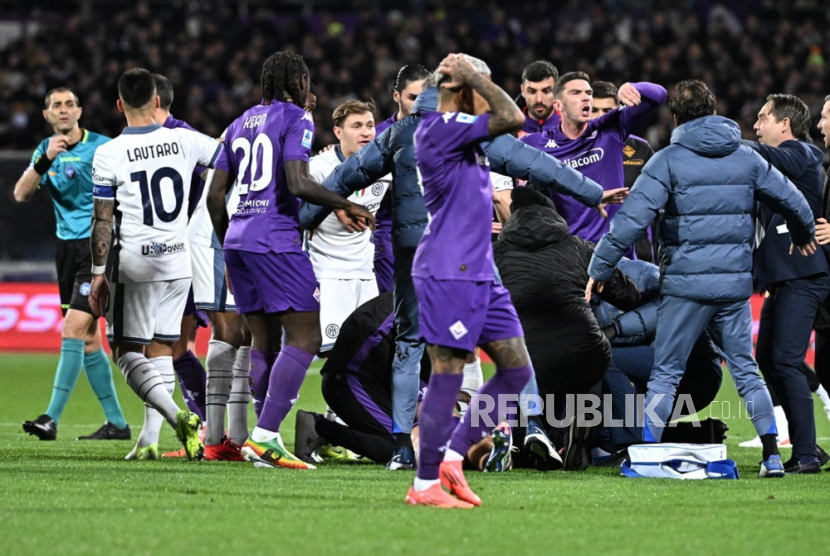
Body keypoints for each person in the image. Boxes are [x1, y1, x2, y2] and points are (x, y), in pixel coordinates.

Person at [299, 79, 608, 472]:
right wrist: (592, 192)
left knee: (410, 347)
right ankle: (533, 426)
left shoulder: (398, 134)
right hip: (468, 253)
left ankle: (401, 447)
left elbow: (344, 177)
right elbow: (536, 163)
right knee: (510, 341)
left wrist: (303, 220)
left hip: (416, 256)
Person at [586, 79, 817, 478]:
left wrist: (599, 269)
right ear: (713, 111)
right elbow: (793, 200)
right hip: (733, 286)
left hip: (685, 286)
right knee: (745, 369)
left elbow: (629, 225)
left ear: (675, 117)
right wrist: (803, 234)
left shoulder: (668, 161)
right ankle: (771, 455)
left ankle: (646, 454)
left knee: (666, 372)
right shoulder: (745, 156)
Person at [207, 51, 375, 470]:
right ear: (299, 81)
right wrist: (344, 203)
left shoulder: (236, 123)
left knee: (263, 340)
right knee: (305, 338)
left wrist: (229, 245)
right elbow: (299, 182)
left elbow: (213, 196)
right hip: (274, 237)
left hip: (238, 240)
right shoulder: (296, 119)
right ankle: (265, 437)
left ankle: (265, 439)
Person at [407, 52, 530, 509]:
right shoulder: (440, 128)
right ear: (463, 88)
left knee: (516, 371)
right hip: (448, 271)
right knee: (448, 372)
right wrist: (473, 77)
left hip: (480, 271)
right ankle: (424, 486)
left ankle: (454, 459)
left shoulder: (463, 136)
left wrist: (473, 79)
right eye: (484, 83)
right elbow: (512, 115)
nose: (490, 91)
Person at [88, 68, 221, 461]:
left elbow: (103, 220)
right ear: (157, 101)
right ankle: (148, 439)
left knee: (126, 351)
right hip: (180, 263)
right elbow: (229, 153)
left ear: (119, 105)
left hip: (137, 264)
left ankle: (180, 417)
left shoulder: (108, 152)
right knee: (162, 347)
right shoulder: (184, 140)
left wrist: (98, 275)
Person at [494, 187, 643, 471]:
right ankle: (580, 434)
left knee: (518, 384)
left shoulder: (495, 254)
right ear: (553, 216)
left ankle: (536, 436)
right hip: (582, 352)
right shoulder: (579, 247)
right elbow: (627, 294)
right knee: (594, 357)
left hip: (528, 364)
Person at [14, 87, 129, 442]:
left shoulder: (105, 148)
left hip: (98, 248)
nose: (63, 111)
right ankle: (117, 424)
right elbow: (21, 193)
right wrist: (44, 160)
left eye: (69, 104)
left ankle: (50, 418)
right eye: (55, 106)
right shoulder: (44, 152)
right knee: (90, 339)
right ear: (47, 116)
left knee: (71, 329)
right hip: (66, 251)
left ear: (80, 110)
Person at [744, 94, 830, 474]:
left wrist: (719, 137)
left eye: (763, 118)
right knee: (768, 360)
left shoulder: (804, 155)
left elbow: (767, 157)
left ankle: (807, 453)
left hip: (804, 276)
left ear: (785, 125)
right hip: (781, 280)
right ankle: (808, 445)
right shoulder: (773, 168)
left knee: (785, 360)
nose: (757, 126)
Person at [592, 258, 724, 462]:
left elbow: (667, 306)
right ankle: (698, 434)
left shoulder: (642, 273)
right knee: (605, 434)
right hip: (663, 375)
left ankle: (633, 447)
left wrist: (615, 329)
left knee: (610, 361)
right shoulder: (580, 291)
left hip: (694, 368)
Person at [520, 72, 666, 246]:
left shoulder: (611, 129)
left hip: (616, 254)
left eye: (588, 93)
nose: (585, 98)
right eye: (576, 93)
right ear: (558, 106)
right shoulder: (537, 143)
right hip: (571, 255)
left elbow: (659, 95)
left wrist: (633, 87)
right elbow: (495, 153)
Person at [307, 100, 390, 352]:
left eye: (370, 125)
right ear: (338, 132)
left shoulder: (385, 167)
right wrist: (333, 204)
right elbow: (297, 218)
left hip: (366, 275)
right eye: (356, 126)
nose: (365, 132)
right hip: (330, 275)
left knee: (368, 356)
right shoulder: (317, 169)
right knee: (335, 356)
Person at [373, 65, 431, 294]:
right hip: (390, 234)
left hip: (433, 233)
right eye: (412, 98)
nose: (418, 105)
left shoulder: (441, 131)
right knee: (392, 310)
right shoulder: (378, 136)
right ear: (396, 95)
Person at [591, 81, 657, 262]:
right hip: (587, 252)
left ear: (619, 111)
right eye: (594, 110)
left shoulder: (641, 149)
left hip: (635, 252)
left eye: (607, 111)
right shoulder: (572, 148)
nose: (600, 117)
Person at [517, 60, 560, 137]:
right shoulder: (506, 129)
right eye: (532, 92)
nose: (539, 100)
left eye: (546, 91)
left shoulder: (575, 125)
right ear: (522, 91)